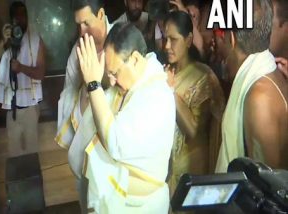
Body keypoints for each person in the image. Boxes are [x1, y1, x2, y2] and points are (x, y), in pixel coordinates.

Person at [77, 23, 176, 213]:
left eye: (115, 73)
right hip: (120, 200)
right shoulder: (134, 85)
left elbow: (115, 142)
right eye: (109, 74)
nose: (112, 81)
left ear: (136, 60)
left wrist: (93, 85)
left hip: (142, 206)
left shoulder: (155, 95)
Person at [216, 0, 288, 172]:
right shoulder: (268, 72)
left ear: (231, 39)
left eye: (219, 37)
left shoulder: (259, 95)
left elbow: (267, 190)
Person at [55, 0, 113, 212]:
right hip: (84, 144)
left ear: (101, 14)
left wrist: (99, 82)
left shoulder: (120, 40)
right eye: (78, 25)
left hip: (113, 150)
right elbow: (68, 92)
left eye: (87, 23)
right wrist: (85, 88)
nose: (82, 32)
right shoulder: (76, 52)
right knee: (87, 203)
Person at [163, 11, 225, 196]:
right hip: (166, 173)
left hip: (191, 175)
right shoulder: (165, 71)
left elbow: (192, 129)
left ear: (189, 40)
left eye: (173, 39)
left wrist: (171, 91)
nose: (167, 46)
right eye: (165, 38)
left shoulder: (203, 77)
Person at [0, 1, 46, 157]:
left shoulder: (37, 40)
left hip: (30, 108)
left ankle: (32, 181)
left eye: (23, 15)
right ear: (11, 19)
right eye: (16, 16)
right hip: (12, 108)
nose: (20, 18)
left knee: (32, 151)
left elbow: (40, 74)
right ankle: (18, 180)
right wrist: (3, 42)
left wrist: (21, 68)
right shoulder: (7, 39)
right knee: (14, 153)